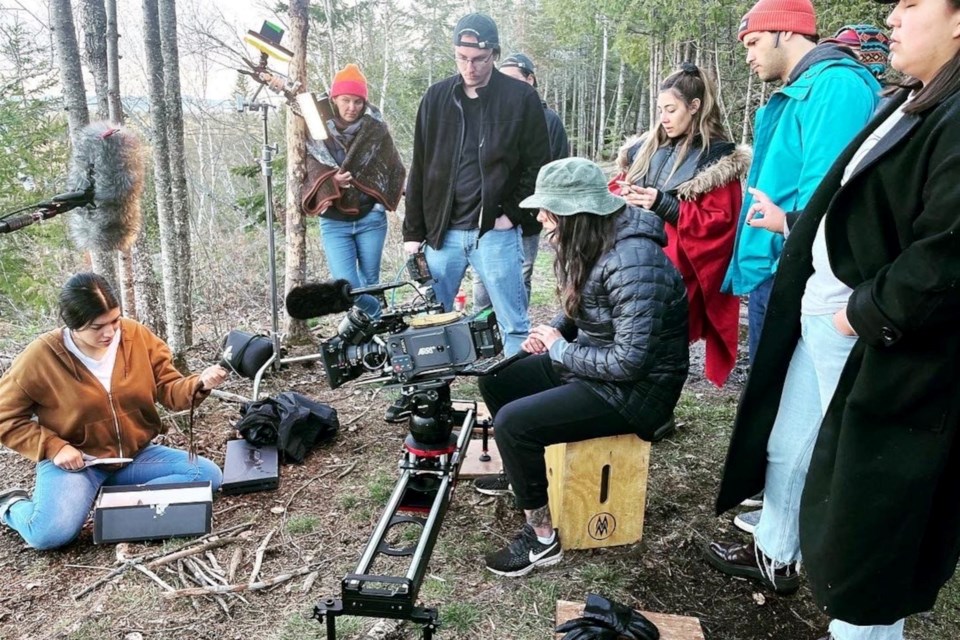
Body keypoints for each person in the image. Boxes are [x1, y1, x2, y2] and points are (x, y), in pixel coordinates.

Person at [707, 1, 960, 639]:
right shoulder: (911, 97)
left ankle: (860, 627)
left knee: (868, 512)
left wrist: (861, 312)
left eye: (912, 4)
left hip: (881, 342)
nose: (893, 16)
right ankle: (776, 556)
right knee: (788, 448)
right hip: (824, 314)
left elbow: (946, 252)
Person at [474, 158, 689, 577]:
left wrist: (558, 351)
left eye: (546, 208)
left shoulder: (634, 261)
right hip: (598, 365)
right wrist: (553, 331)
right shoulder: (597, 239)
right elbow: (585, 307)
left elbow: (630, 361)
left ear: (574, 212)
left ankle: (541, 539)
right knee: (498, 381)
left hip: (637, 392)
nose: (539, 217)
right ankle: (524, 479)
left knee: (516, 423)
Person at [0, 273, 226, 550]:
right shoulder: (41, 357)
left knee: (206, 476)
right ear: (73, 324)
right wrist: (53, 447)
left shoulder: (137, 336)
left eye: (115, 321)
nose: (110, 333)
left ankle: (110, 500)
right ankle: (11, 505)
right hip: (78, 464)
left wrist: (198, 384)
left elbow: (169, 388)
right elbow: (5, 416)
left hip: (134, 456)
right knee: (48, 535)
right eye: (97, 327)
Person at [719, 0, 882, 362]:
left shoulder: (835, 85)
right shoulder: (807, 87)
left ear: (787, 31)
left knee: (784, 395)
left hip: (799, 270)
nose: (748, 56)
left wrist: (787, 229)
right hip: (780, 262)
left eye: (754, 42)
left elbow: (828, 192)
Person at [402, 13, 551, 355]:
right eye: (462, 59)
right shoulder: (435, 98)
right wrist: (413, 234)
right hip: (442, 234)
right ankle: (433, 401)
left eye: (479, 59)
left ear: (495, 54)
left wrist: (511, 215)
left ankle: (516, 402)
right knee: (429, 324)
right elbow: (421, 168)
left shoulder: (520, 98)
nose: (470, 67)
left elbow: (538, 166)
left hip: (494, 232)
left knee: (513, 324)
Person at [616, 63, 750, 388]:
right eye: (660, 109)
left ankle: (655, 407)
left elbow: (718, 225)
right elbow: (615, 188)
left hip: (676, 272)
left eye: (671, 109)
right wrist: (624, 194)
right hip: (631, 261)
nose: (663, 118)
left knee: (660, 342)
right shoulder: (642, 150)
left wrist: (662, 204)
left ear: (694, 107)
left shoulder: (717, 160)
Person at [302, 63, 406, 319]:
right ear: (335, 98)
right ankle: (384, 319)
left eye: (358, 101)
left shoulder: (376, 129)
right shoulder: (316, 128)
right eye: (346, 100)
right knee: (347, 287)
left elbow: (392, 167)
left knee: (371, 282)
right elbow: (309, 167)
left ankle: (373, 345)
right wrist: (331, 180)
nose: (352, 107)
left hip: (371, 217)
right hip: (335, 222)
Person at [473, 52, 570, 313]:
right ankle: (481, 330)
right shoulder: (491, 117)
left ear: (530, 80)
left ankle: (517, 335)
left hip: (529, 216)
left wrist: (542, 211)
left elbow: (558, 170)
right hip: (492, 215)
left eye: (514, 79)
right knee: (484, 276)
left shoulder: (550, 121)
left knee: (521, 275)